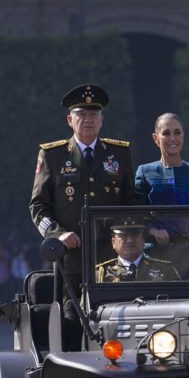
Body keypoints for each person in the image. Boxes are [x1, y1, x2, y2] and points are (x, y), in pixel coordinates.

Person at [29, 84, 136, 293]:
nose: (88, 120)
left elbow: (130, 201)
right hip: (71, 257)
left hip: (111, 256)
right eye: (81, 114)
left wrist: (126, 235)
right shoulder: (53, 155)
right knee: (71, 318)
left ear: (101, 120)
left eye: (94, 114)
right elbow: (38, 206)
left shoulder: (119, 153)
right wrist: (57, 234)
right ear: (70, 120)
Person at [135, 113, 189, 206]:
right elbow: (138, 215)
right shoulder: (144, 172)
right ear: (156, 138)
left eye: (177, 133)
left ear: (183, 135)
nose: (172, 138)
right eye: (166, 133)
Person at [95, 219, 180, 283]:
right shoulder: (101, 274)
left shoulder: (165, 270)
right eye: (123, 235)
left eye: (135, 235)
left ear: (143, 240)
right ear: (113, 242)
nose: (130, 240)